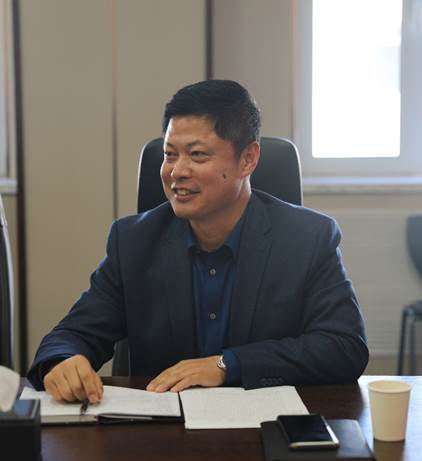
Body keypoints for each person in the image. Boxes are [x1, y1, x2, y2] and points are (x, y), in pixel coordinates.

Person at [28, 80, 368, 404]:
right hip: (162, 429)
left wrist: (227, 365)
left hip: (266, 427)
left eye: (197, 155)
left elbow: (344, 348)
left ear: (248, 159)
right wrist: (62, 361)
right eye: (170, 154)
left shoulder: (307, 238)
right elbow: (71, 335)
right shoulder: (133, 242)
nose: (177, 171)